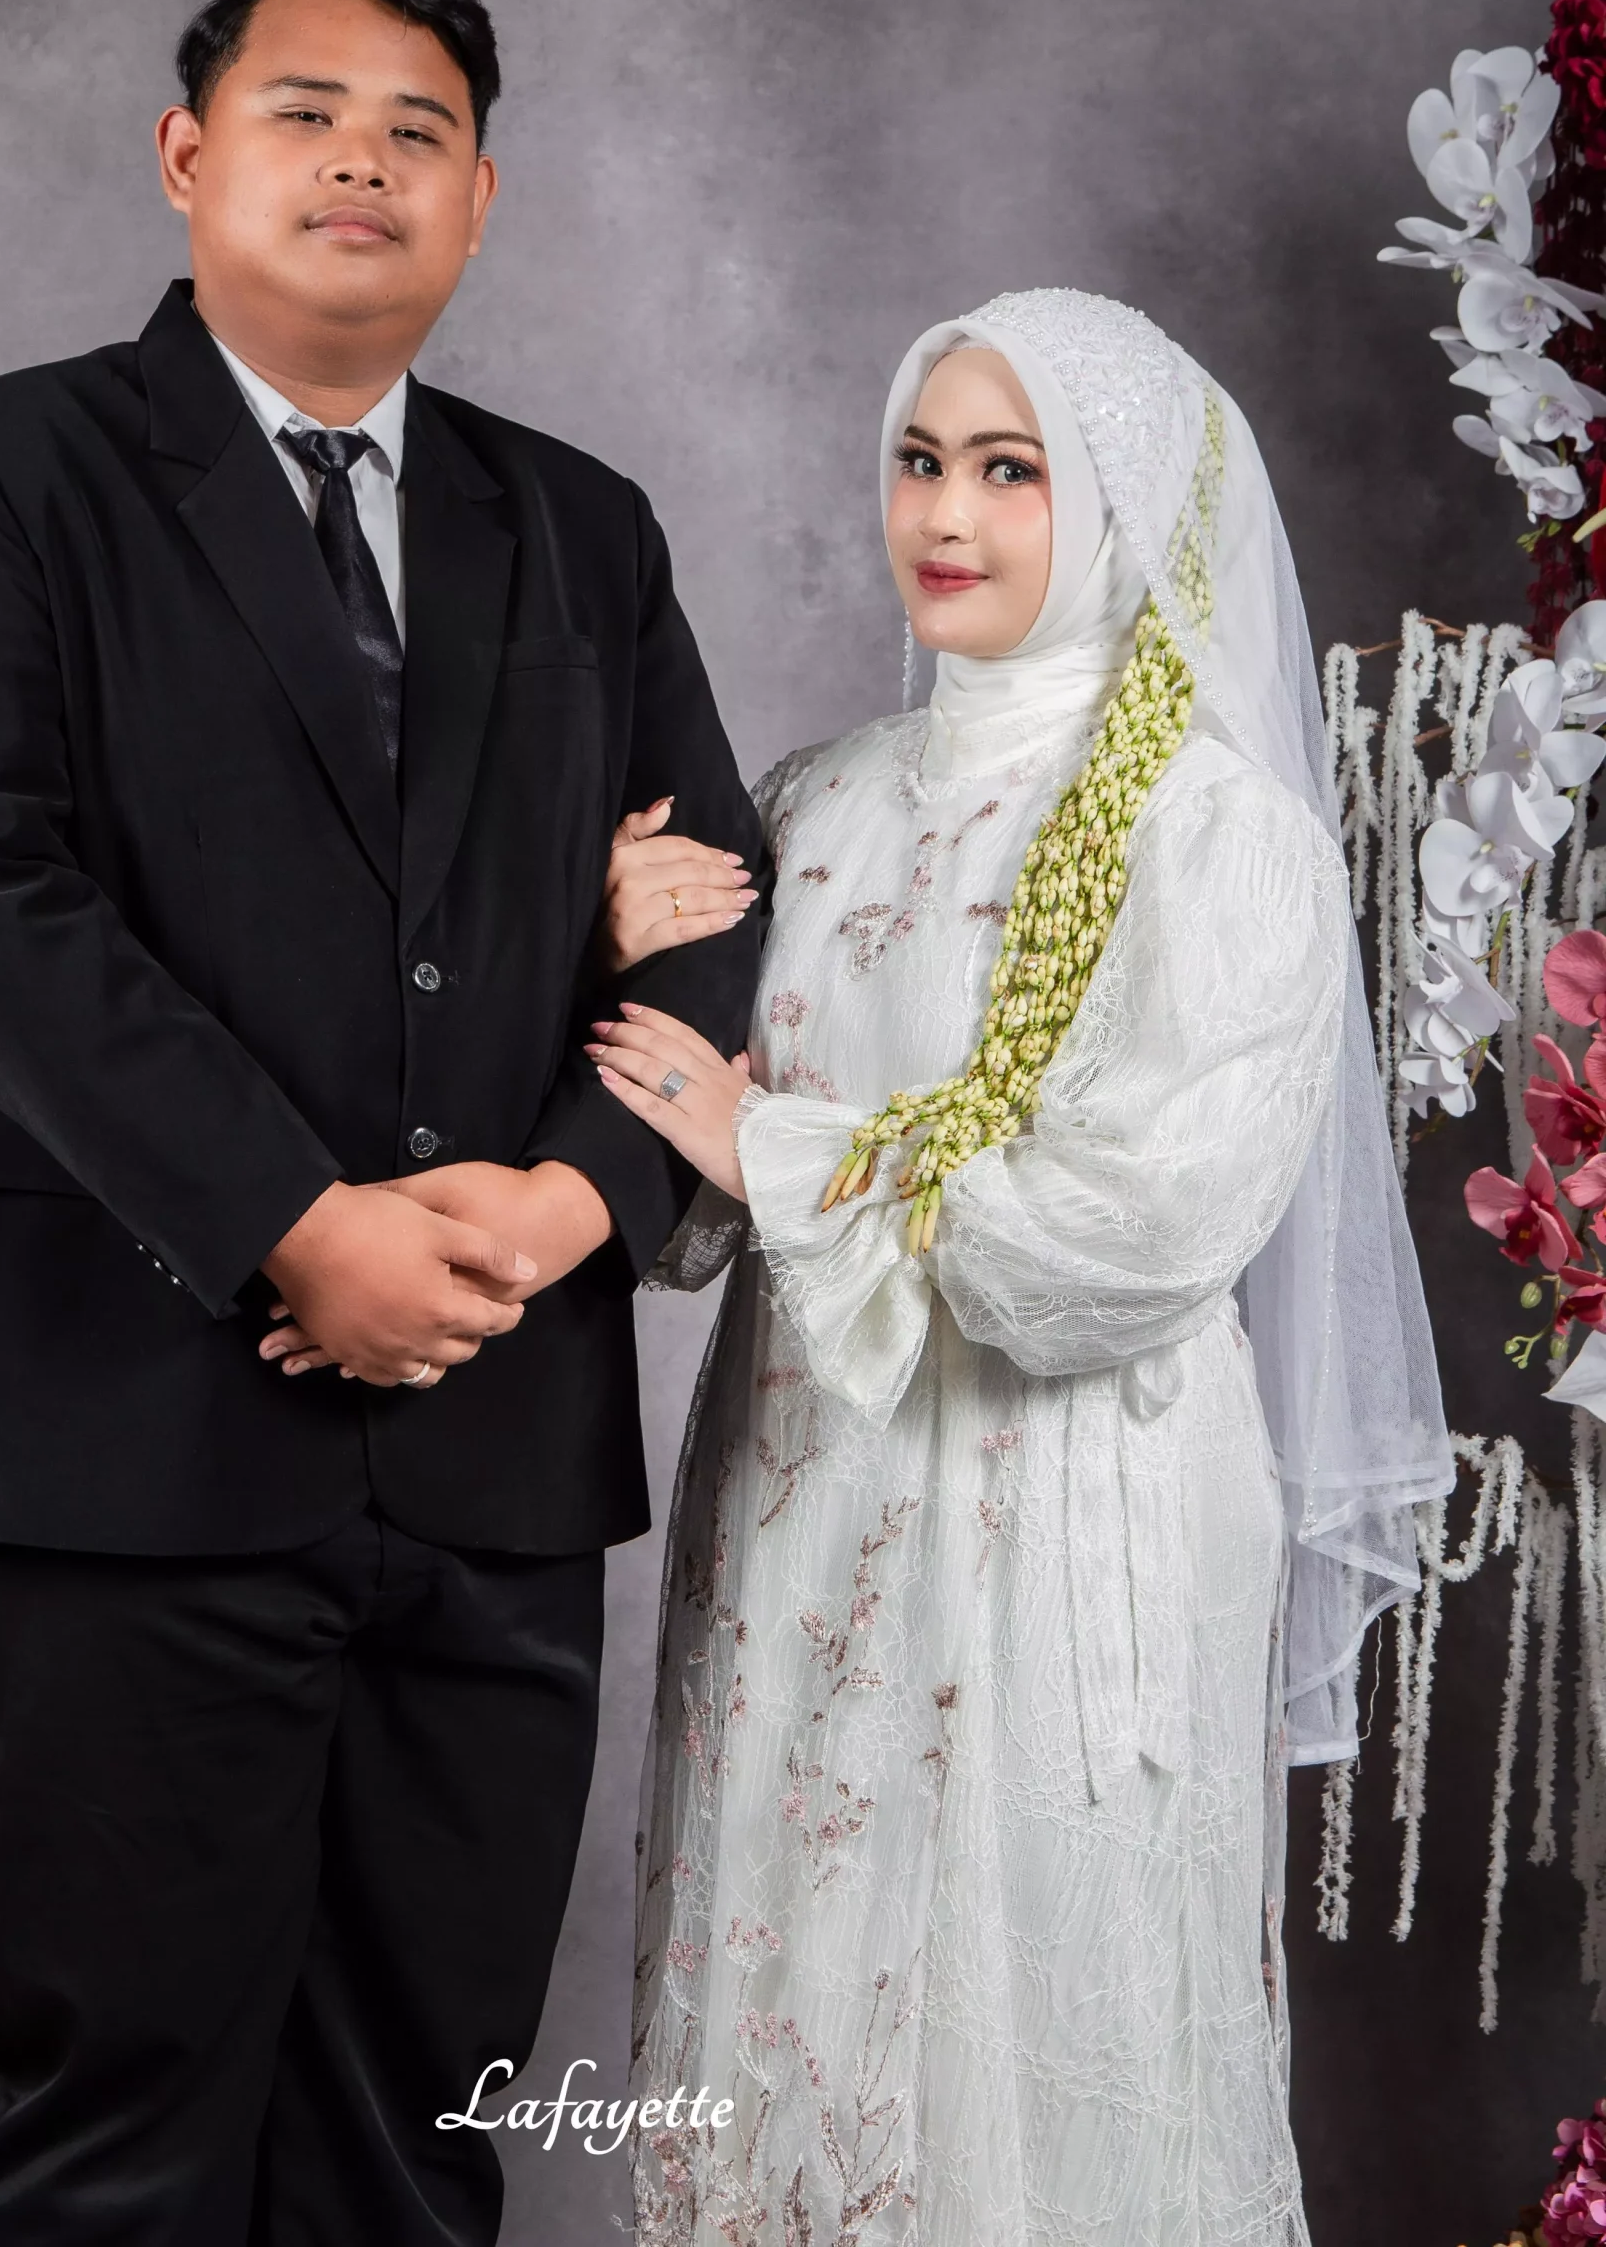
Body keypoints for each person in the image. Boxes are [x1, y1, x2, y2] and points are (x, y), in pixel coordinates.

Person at [0, 0, 765, 2245]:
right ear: (185, 154)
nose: (363, 160)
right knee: (116, 2141)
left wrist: (567, 1205)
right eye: (305, 112)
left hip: (494, 1445)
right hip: (114, 1435)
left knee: (417, 2148)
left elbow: (716, 904)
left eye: (418, 131)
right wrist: (301, 1222)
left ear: (480, 199)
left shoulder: (580, 525)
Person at [588, 290, 1451, 2244]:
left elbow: (1144, 1228)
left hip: (1069, 1516)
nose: (947, 513)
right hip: (806, 1498)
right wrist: (611, 949)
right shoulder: (809, 800)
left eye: (1011, 468)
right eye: (921, 460)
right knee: (800, 1984)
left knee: (1031, 2036)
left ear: (1129, 505)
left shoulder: (1216, 832)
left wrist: (777, 1145)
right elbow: (691, 1195)